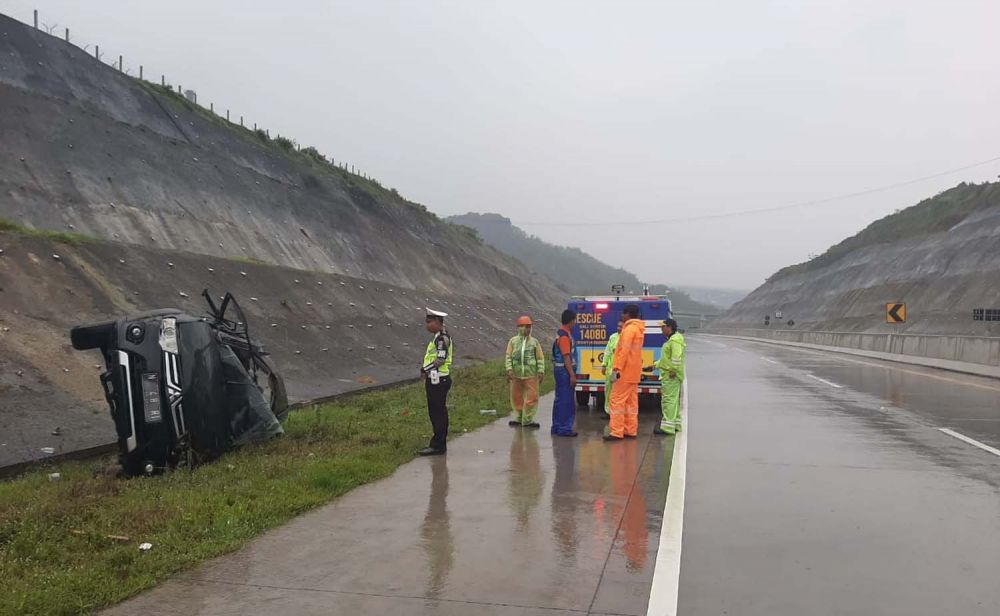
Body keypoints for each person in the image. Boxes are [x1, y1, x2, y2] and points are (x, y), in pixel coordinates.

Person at [606, 304, 645, 441]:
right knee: (630, 403)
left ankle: (616, 432)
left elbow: (623, 352)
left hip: (624, 372)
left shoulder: (629, 330)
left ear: (628, 314)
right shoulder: (638, 329)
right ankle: (630, 430)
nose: (621, 315)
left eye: (623, 313)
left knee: (616, 401)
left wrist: (616, 368)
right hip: (633, 373)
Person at [418, 308, 453, 456]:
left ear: (438, 322)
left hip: (439, 379)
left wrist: (424, 369)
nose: (427, 325)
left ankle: (438, 445)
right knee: (435, 412)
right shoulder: (437, 337)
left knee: (438, 413)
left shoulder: (441, 339)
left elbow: (440, 359)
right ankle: (438, 443)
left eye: (429, 322)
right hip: (435, 378)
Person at [646, 318, 686, 435]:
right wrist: (654, 366)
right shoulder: (672, 340)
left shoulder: (675, 340)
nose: (661, 329)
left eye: (663, 327)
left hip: (671, 376)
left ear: (669, 327)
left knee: (668, 401)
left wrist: (673, 370)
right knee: (673, 401)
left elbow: (676, 358)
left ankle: (668, 428)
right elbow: (666, 360)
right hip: (669, 374)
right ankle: (675, 424)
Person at [505, 315, 545, 428]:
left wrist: (541, 371)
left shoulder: (534, 342)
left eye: (529, 327)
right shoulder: (513, 342)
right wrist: (509, 369)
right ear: (520, 327)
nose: (528, 329)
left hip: (531, 375)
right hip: (516, 376)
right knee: (516, 397)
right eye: (525, 327)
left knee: (532, 398)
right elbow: (508, 356)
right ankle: (519, 418)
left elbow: (540, 358)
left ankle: (528, 419)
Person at [551, 309, 578, 437]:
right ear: (571, 320)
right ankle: (564, 428)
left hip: (560, 371)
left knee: (560, 399)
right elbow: (566, 357)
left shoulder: (563, 333)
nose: (575, 322)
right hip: (564, 372)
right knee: (566, 401)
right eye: (575, 320)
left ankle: (556, 426)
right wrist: (572, 374)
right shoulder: (564, 336)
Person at [601, 319, 624, 415]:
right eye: (618, 326)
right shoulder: (613, 337)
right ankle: (608, 411)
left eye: (621, 327)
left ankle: (617, 412)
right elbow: (607, 352)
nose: (618, 328)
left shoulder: (627, 338)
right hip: (611, 371)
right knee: (608, 391)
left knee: (619, 393)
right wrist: (604, 365)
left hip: (620, 371)